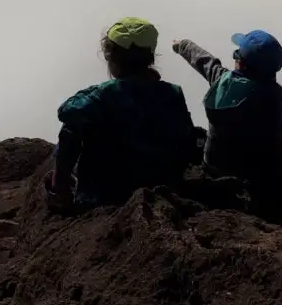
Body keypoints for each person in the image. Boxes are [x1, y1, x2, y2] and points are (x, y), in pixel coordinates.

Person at [46, 17, 198, 211]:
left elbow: (66, 112)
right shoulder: (173, 93)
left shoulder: (103, 95)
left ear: (111, 58)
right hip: (163, 186)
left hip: (105, 194)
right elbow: (187, 140)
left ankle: (61, 191)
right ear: (151, 57)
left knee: (71, 130)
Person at [171, 30, 282, 182]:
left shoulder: (223, 82)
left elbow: (206, 62)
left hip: (215, 171)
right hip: (262, 176)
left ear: (240, 63)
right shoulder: (276, 96)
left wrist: (182, 45)